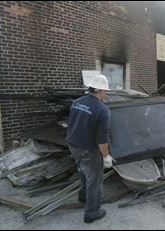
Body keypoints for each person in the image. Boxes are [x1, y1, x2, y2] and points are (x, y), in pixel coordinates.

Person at [66, 74, 115, 223]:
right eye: (104, 92)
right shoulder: (102, 109)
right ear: (101, 91)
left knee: (82, 170)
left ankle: (83, 196)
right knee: (95, 179)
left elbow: (73, 123)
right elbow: (102, 139)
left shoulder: (77, 102)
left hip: (73, 145)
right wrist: (106, 156)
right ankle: (92, 212)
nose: (104, 95)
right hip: (88, 149)